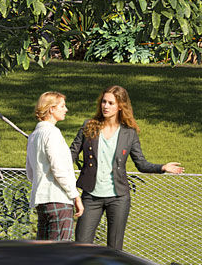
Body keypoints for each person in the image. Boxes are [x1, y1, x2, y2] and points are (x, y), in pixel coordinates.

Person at [79, 84, 187, 254]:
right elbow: (70, 154)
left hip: (119, 198)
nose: (105, 106)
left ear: (120, 106)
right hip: (91, 197)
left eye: (111, 103)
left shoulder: (129, 133)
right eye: (104, 102)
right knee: (80, 247)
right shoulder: (89, 126)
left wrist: (162, 167)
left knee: (115, 251)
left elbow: (141, 164)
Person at [26, 92, 81, 243]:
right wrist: (75, 196)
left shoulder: (33, 135)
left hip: (42, 202)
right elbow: (59, 170)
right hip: (59, 200)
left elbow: (30, 172)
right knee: (60, 251)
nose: (66, 109)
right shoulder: (53, 134)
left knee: (44, 251)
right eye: (62, 106)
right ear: (51, 109)